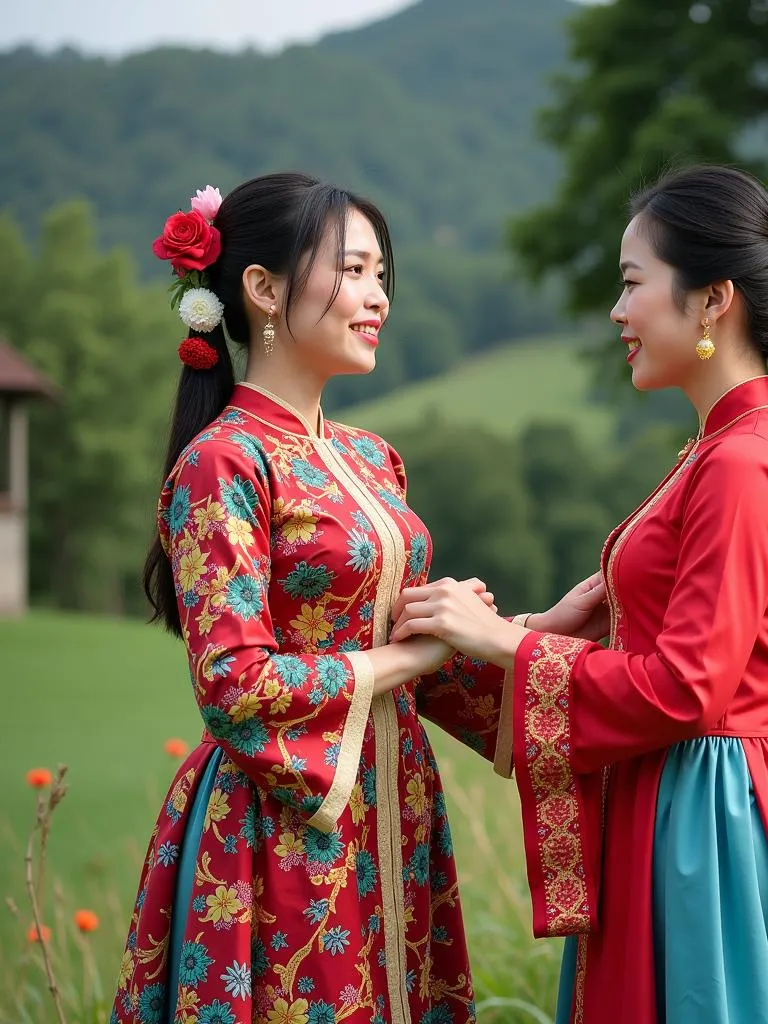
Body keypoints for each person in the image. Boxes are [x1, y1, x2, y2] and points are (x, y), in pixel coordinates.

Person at [391, 165, 768, 1023]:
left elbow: (689, 685)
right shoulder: (728, 447)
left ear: (712, 301)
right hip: (698, 805)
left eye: (633, 285)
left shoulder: (743, 461)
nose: (619, 313)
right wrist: (543, 627)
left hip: (714, 829)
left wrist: (509, 644)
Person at [112, 172, 526, 1024]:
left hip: (397, 801)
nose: (376, 297)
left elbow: (424, 647)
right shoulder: (221, 463)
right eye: (353, 271)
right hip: (282, 822)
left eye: (382, 274)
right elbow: (232, 684)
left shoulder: (373, 458)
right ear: (262, 288)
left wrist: (539, 637)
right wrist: (403, 656)